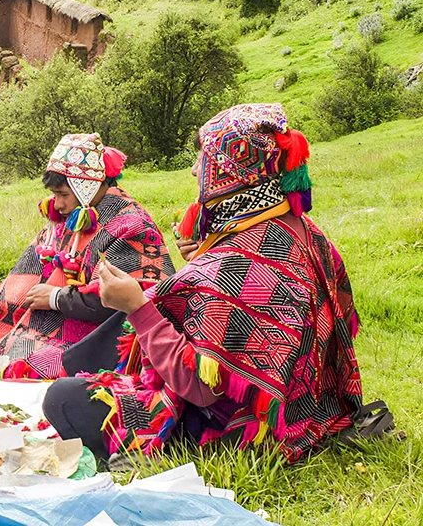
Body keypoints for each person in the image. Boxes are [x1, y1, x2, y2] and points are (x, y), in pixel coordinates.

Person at [44, 103, 365, 464]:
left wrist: (138, 307)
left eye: (203, 160)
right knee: (120, 331)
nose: (195, 169)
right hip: (311, 403)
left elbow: (199, 386)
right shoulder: (307, 233)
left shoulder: (235, 261)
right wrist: (200, 262)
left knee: (63, 397)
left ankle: (153, 443)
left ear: (227, 174)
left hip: (245, 428)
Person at [0, 133, 174, 379]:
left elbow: (125, 299)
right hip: (63, 314)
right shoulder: (75, 215)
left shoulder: (130, 226)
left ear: (87, 186)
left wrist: (55, 298)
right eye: (54, 195)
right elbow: (31, 270)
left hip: (105, 335)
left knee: (30, 365)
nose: (57, 204)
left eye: (63, 194)